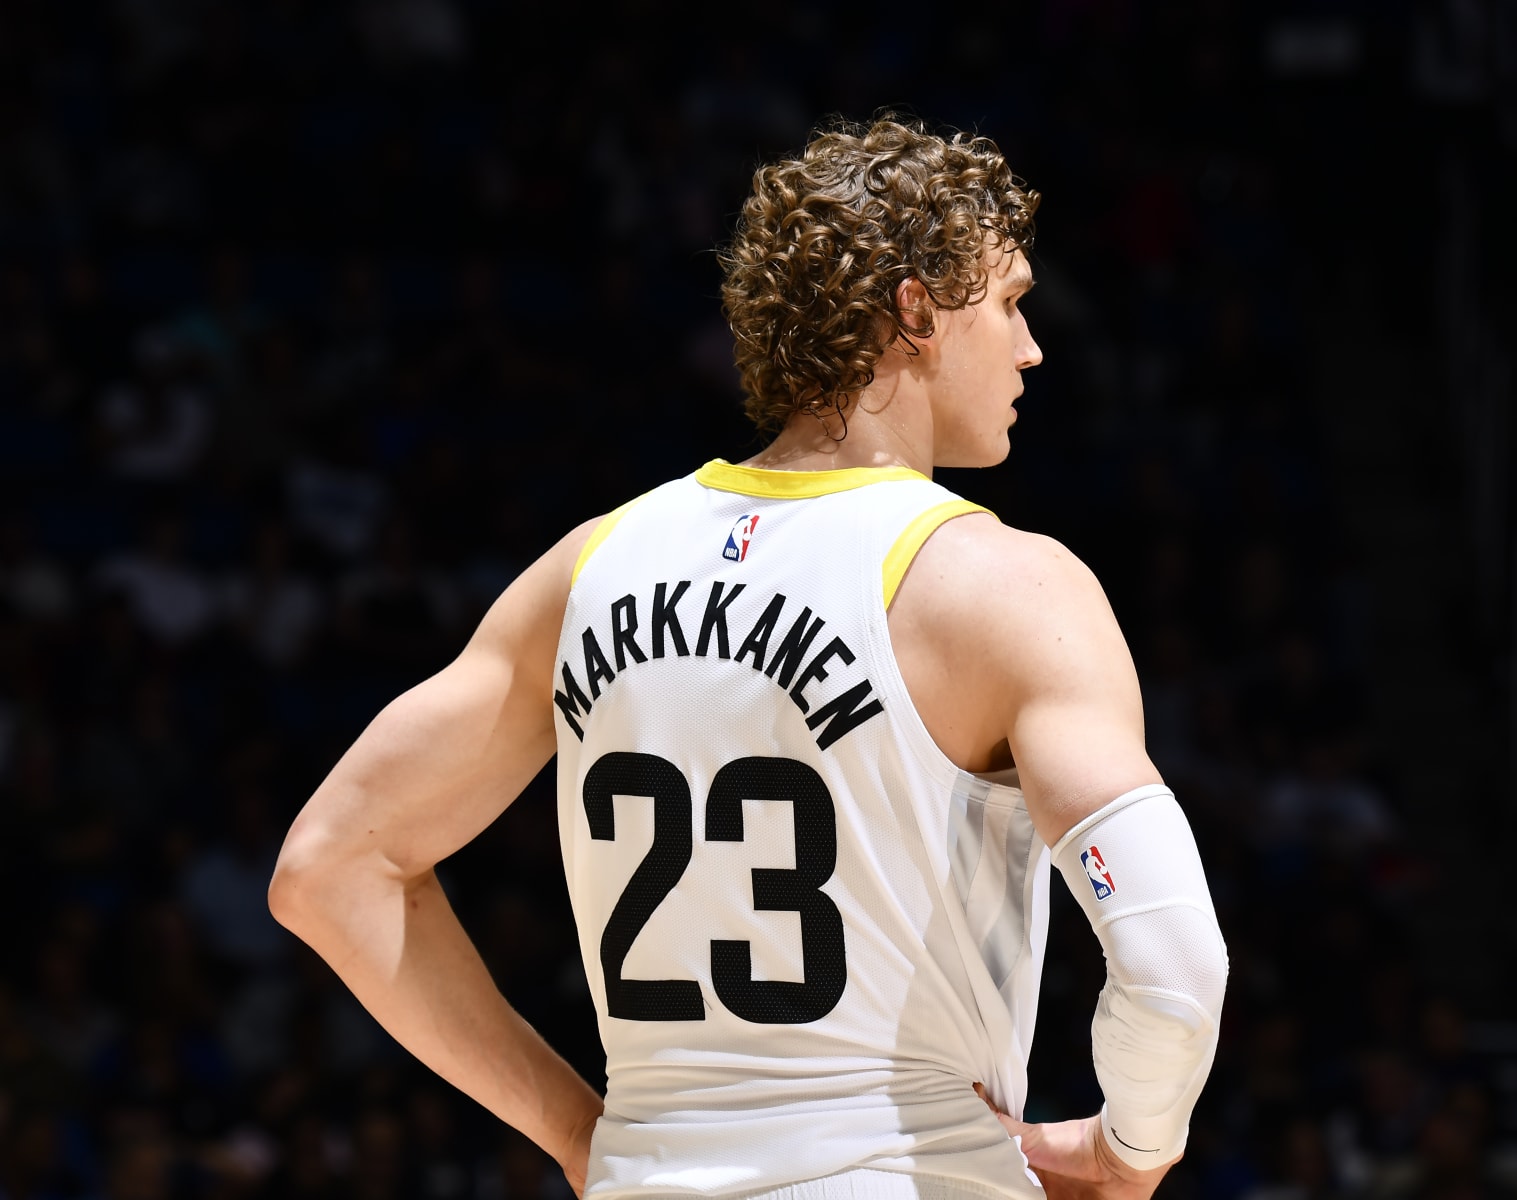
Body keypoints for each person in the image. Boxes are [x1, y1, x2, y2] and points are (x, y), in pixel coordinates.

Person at [269, 117, 1229, 1200]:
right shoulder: (1008, 587)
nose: (1030, 346)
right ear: (913, 309)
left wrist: (578, 1133)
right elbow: (1175, 970)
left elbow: (329, 869)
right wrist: (1127, 1153)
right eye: (1008, 302)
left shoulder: (593, 565)